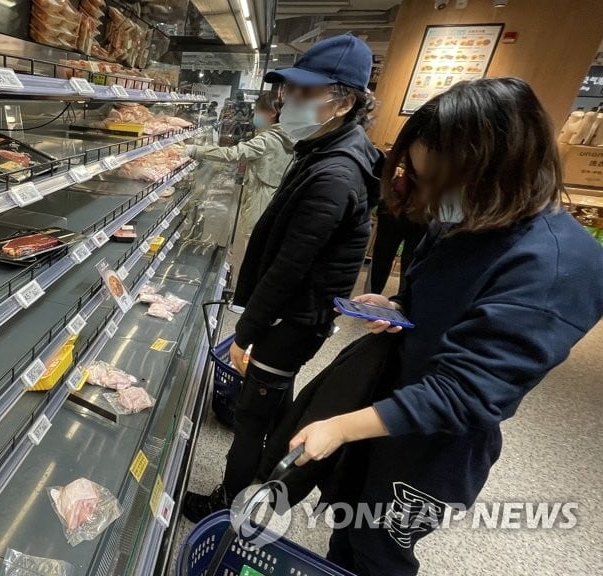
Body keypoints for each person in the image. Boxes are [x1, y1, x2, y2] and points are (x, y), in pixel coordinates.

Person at [290, 77, 603, 576]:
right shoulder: (471, 219)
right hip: (390, 410)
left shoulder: (558, 265)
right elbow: (434, 295)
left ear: (499, 168)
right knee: (347, 529)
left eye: (441, 181)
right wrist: (397, 308)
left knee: (382, 551)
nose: (432, 198)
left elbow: (470, 392)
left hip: (437, 445)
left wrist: (341, 427)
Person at [183, 34, 383, 522]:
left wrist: (247, 331)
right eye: (289, 89)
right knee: (275, 394)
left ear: (345, 102)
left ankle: (228, 502)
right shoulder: (326, 148)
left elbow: (291, 266)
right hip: (300, 315)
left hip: (292, 317)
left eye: (306, 93)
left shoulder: (334, 173)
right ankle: (267, 463)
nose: (289, 100)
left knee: (252, 413)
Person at [185, 92, 294, 280]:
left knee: (251, 246)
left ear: (271, 113)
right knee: (258, 245)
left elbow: (235, 153)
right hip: (272, 194)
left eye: (258, 110)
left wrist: (195, 150)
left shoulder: (268, 138)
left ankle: (239, 293)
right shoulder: (287, 136)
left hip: (260, 195)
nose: (255, 115)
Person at [366, 173, 428, 294]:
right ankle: (400, 303)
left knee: (383, 256)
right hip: (419, 208)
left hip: (398, 204)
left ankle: (370, 299)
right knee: (409, 260)